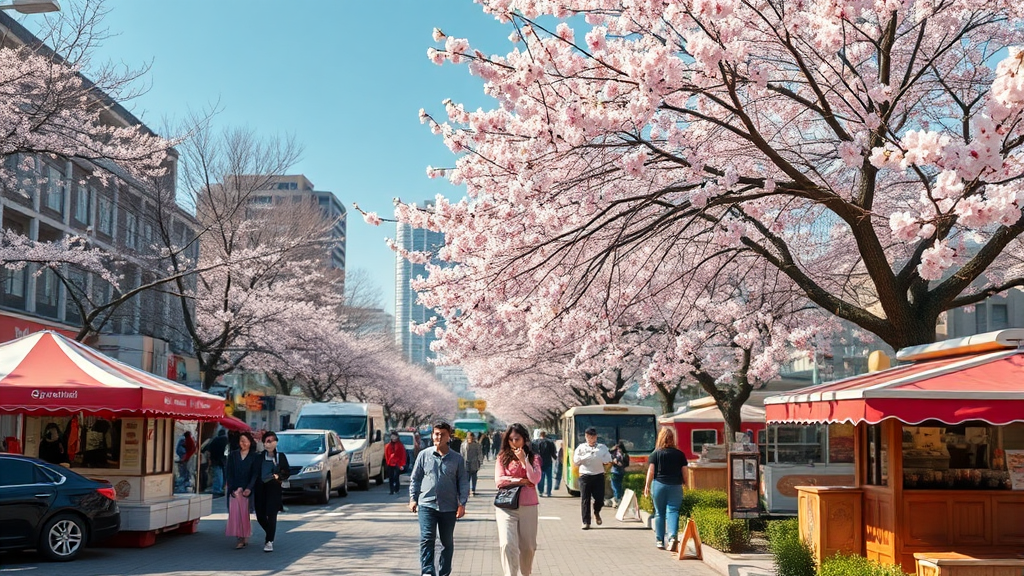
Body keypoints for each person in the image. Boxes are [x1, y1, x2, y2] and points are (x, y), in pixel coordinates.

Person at [409, 421, 469, 576]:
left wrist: (462, 503)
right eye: (436, 433)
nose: (439, 437)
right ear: (432, 435)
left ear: (449, 436)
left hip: (449, 507)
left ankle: (444, 572)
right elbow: (415, 478)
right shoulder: (424, 455)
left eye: (443, 434)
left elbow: (463, 481)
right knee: (427, 538)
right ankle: (428, 571)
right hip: (426, 505)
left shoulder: (457, 459)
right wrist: (413, 498)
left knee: (446, 542)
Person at [494, 423, 542, 576]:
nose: (514, 442)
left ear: (524, 439)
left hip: (528, 505)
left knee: (528, 546)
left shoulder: (534, 458)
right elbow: (499, 481)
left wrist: (523, 461)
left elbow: (534, 479)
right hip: (506, 506)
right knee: (507, 544)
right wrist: (519, 481)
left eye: (517, 439)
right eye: (510, 439)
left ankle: (526, 573)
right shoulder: (502, 458)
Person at [643, 427, 689, 551]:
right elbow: (685, 472)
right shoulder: (680, 454)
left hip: (659, 485)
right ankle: (672, 537)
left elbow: (651, 471)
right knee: (673, 511)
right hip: (675, 485)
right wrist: (686, 484)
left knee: (659, 513)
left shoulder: (655, 453)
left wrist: (647, 486)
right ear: (672, 438)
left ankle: (659, 540)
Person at [254, 431, 291, 552]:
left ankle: (269, 541)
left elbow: (286, 472)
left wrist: (277, 476)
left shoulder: (280, 456)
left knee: (272, 514)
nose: (268, 444)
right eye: (266, 441)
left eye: (271, 441)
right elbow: (255, 473)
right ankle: (269, 532)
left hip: (274, 489)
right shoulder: (259, 457)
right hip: (260, 489)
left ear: (276, 442)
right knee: (260, 516)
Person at [572, 426, 612, 530]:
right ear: (585, 437)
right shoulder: (581, 447)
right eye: (589, 437)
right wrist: (585, 457)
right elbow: (576, 461)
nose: (591, 439)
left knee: (599, 498)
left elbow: (608, 459)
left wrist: (599, 457)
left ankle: (596, 512)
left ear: (596, 436)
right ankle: (586, 522)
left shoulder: (602, 447)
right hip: (585, 475)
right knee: (585, 499)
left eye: (593, 436)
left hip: (598, 475)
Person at [225, 431, 258, 549]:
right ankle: (240, 537)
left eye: (245, 441)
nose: (243, 443)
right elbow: (229, 473)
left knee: (245, 513)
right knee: (236, 513)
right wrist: (233, 488)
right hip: (235, 489)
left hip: (248, 490)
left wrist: (249, 488)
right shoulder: (233, 455)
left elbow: (255, 474)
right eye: (241, 441)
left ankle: (244, 535)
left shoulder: (255, 456)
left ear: (250, 442)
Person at [203, 429, 230, 497]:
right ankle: (220, 488)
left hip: (215, 459)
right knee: (221, 474)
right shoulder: (226, 440)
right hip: (223, 460)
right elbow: (227, 451)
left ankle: (217, 489)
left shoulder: (215, 440)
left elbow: (208, 448)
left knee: (217, 474)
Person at [532, 431, 556, 498]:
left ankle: (540, 491)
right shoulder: (550, 442)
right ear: (545, 435)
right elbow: (553, 453)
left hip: (539, 462)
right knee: (549, 478)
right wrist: (556, 458)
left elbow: (533, 452)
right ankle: (548, 492)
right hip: (548, 461)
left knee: (540, 477)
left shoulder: (535, 442)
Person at [461, 432, 484, 496]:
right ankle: (467, 490)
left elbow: (479, 453)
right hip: (466, 462)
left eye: (471, 438)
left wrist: (480, 461)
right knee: (466, 478)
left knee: (474, 477)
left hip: (474, 462)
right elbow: (461, 454)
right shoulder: (464, 444)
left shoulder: (477, 445)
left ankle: (473, 489)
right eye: (469, 438)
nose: (470, 439)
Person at [385, 431, 408, 495]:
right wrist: (388, 462)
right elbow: (387, 455)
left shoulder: (400, 445)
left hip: (397, 463)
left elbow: (403, 455)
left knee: (396, 476)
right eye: (392, 436)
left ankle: (396, 489)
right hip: (390, 463)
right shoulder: (388, 446)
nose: (393, 438)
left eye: (395, 436)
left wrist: (402, 464)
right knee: (391, 477)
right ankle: (391, 490)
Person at [610, 441, 630, 506]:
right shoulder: (614, 454)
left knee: (618, 487)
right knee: (615, 487)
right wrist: (614, 461)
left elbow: (627, 464)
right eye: (617, 448)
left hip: (620, 472)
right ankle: (617, 500)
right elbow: (607, 454)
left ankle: (617, 500)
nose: (618, 450)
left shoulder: (625, 455)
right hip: (614, 472)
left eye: (619, 448)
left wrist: (622, 464)